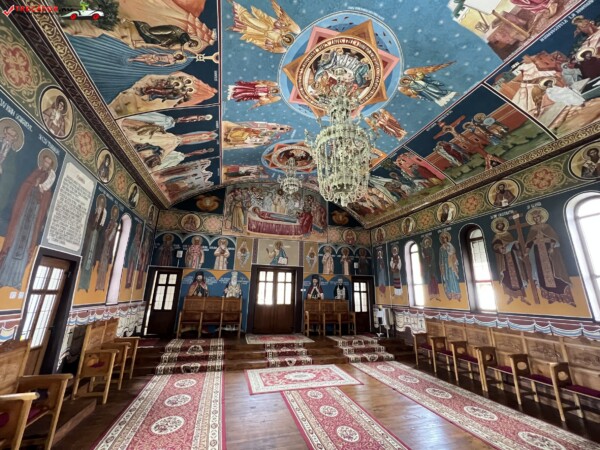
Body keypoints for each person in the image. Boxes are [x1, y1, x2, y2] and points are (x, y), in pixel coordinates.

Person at [0, 153, 56, 289]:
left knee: (26, 245)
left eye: (48, 163)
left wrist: (41, 191)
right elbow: (25, 186)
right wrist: (33, 185)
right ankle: (3, 276)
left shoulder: (48, 179)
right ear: (41, 161)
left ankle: (17, 280)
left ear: (50, 166)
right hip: (24, 212)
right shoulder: (35, 172)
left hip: (33, 217)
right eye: (45, 161)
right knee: (14, 240)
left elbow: (46, 198)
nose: (46, 164)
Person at [525, 208, 574, 306]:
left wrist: (551, 247)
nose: (536, 219)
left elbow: (554, 238)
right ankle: (551, 297)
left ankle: (566, 298)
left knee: (556, 274)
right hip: (538, 255)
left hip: (550, 253)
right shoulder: (532, 229)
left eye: (537, 217)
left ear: (541, 217)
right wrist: (526, 252)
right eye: (534, 218)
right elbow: (529, 242)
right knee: (542, 275)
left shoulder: (547, 227)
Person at [79, 195, 106, 291]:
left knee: (90, 262)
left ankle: (86, 285)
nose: (101, 203)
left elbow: (101, 225)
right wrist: (92, 225)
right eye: (100, 202)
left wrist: (96, 228)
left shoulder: (103, 213)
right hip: (90, 236)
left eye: (102, 202)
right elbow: (90, 222)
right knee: (85, 259)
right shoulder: (95, 211)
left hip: (94, 236)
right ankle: (81, 285)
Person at [95, 206, 119, 291]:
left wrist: (113, 230)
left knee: (105, 268)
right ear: (112, 213)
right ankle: (97, 286)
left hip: (109, 247)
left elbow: (113, 237)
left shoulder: (116, 224)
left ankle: (102, 286)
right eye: (114, 212)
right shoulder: (110, 222)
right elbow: (106, 232)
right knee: (102, 265)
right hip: (105, 245)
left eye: (116, 213)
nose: (114, 214)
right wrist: (110, 230)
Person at [439, 232, 461, 300]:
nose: (444, 239)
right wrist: (441, 266)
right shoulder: (441, 248)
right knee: (447, 278)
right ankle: (449, 293)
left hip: (451, 264)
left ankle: (456, 293)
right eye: (443, 239)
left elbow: (453, 254)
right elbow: (440, 258)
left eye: (445, 238)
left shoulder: (450, 246)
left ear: (447, 239)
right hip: (445, 264)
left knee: (453, 277)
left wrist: (454, 260)